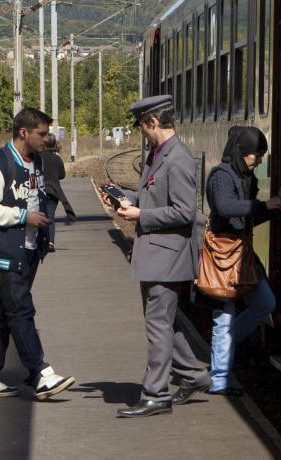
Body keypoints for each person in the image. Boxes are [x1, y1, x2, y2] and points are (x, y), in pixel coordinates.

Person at [105, 95, 211, 418]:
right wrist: (125, 198)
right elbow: (154, 195)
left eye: (142, 125)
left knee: (157, 324)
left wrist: (141, 214)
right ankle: (194, 375)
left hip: (167, 256)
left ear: (153, 122)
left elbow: (184, 213)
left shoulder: (178, 159)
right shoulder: (158, 154)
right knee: (165, 322)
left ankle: (156, 393)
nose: (141, 131)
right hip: (156, 254)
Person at [0, 108, 74, 401]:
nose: (46, 139)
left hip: (28, 248)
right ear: (23, 133)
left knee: (3, 312)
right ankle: (40, 373)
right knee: (21, 310)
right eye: (41, 134)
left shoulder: (38, 161)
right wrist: (23, 216)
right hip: (5, 250)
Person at [205, 126, 281, 396]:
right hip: (223, 254)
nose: (259, 161)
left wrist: (277, 206)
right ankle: (218, 379)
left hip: (242, 252)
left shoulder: (246, 178)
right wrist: (265, 205)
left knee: (265, 303)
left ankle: (224, 350)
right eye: (257, 156)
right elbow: (225, 208)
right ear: (243, 152)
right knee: (224, 316)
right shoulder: (222, 175)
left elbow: (246, 217)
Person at [40, 134, 76, 252]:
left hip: (40, 190)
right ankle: (50, 243)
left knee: (39, 216)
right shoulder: (57, 159)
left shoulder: (37, 157)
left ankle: (40, 241)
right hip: (54, 191)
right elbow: (62, 175)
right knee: (50, 216)